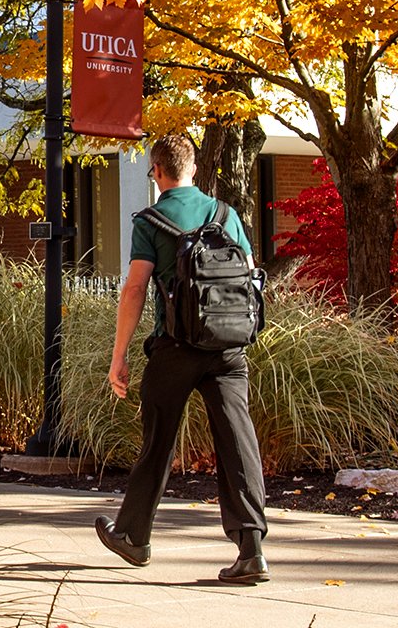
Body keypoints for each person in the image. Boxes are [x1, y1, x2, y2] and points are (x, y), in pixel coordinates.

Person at [94, 132, 271, 585]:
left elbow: (135, 288)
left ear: (157, 172)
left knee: (158, 439)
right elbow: (250, 276)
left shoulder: (151, 221)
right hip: (229, 348)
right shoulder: (226, 213)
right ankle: (251, 549)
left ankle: (133, 536)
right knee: (237, 441)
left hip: (175, 348)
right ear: (193, 169)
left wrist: (119, 356)